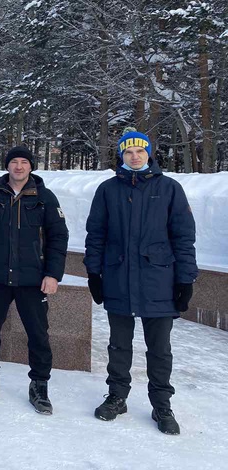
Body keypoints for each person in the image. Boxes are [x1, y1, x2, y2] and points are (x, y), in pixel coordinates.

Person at [84, 128, 197, 435]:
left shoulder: (170, 188)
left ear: (149, 154)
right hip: (119, 279)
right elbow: (96, 235)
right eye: (128, 152)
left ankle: (162, 404)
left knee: (159, 349)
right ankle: (117, 396)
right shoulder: (108, 190)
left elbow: (184, 237)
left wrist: (185, 280)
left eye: (140, 151)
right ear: (121, 155)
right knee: (119, 345)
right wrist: (93, 273)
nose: (134, 157)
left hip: (158, 281)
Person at [0, 145, 69, 414]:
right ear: (7, 166)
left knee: (38, 334)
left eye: (24, 162)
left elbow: (58, 238)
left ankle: (39, 385)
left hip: (33, 280)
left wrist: (52, 274)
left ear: (31, 166)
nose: (19, 167)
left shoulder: (46, 198)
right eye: (14, 162)